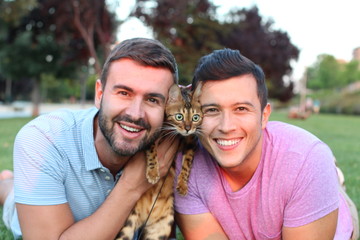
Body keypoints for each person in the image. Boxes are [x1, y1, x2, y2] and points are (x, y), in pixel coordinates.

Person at [0, 37, 180, 239]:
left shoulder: (170, 148)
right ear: (99, 93)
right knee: (13, 200)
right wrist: (132, 185)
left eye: (152, 99)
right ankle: (5, 185)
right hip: (41, 212)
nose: (135, 113)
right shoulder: (43, 139)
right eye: (123, 93)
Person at [174, 49, 359, 240]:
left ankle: (332, 179)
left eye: (241, 109)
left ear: (264, 116)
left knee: (315, 168)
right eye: (211, 110)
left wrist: (315, 172)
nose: (226, 126)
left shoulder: (308, 160)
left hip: (327, 210)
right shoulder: (185, 168)